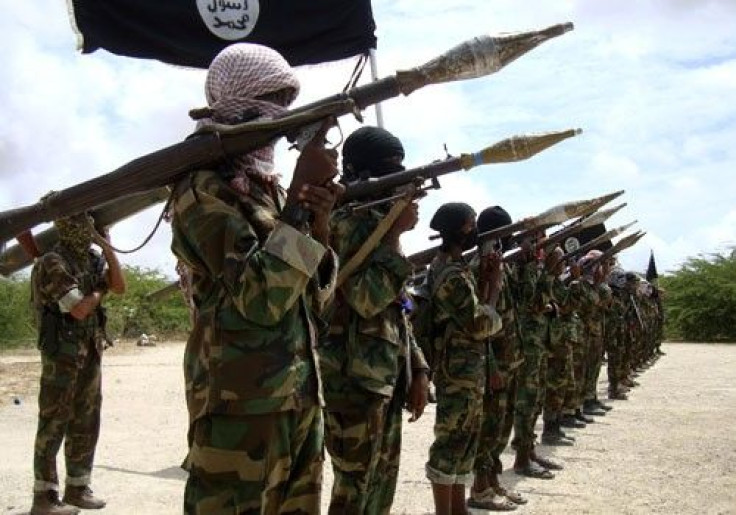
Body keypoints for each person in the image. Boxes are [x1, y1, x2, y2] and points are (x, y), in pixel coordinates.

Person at [169, 43, 342, 513]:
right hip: (240, 407)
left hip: (298, 398)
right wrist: (295, 211)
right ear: (240, 107)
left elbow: (311, 302)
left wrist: (316, 222)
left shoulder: (266, 187)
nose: (282, 120)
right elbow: (261, 298)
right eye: (274, 107)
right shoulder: (201, 191)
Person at [320, 126, 429, 514]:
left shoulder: (377, 219)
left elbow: (398, 308)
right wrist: (394, 235)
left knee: (381, 484)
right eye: (387, 169)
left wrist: (417, 367)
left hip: (382, 376)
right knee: (354, 490)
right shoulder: (343, 222)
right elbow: (364, 298)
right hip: (350, 381)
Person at [30, 213, 126, 515]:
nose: (89, 233)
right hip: (62, 355)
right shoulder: (53, 261)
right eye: (83, 227)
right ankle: (44, 497)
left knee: (86, 419)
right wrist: (100, 291)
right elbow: (81, 309)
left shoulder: (93, 259)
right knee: (54, 421)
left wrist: (109, 250)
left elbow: (120, 286)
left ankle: (77, 487)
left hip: (90, 351)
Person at [424, 202, 503, 515]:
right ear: (459, 230)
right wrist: (494, 290)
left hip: (467, 371)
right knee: (450, 443)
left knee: (466, 441)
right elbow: (478, 324)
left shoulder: (456, 268)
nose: (476, 231)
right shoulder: (451, 274)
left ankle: (458, 509)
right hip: (457, 373)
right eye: (471, 225)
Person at [470, 206, 527, 511]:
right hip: (493, 363)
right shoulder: (479, 264)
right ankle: (479, 489)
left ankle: (492, 481)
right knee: (488, 429)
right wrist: (492, 365)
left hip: (509, 359)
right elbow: (480, 321)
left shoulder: (500, 263)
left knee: (501, 428)